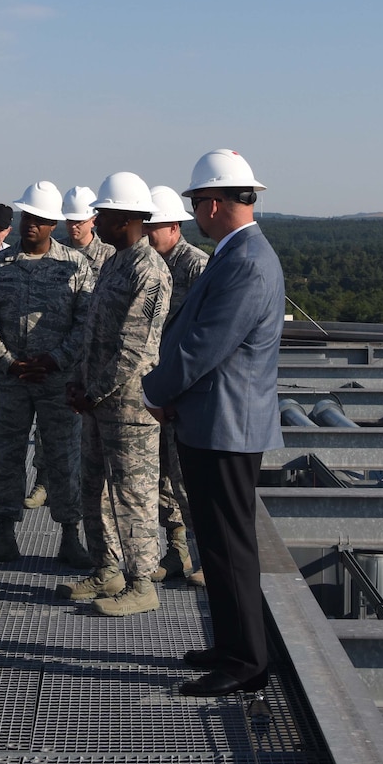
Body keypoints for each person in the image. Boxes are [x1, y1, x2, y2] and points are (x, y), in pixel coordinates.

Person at [143, 150, 285, 698]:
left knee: (229, 547)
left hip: (227, 425)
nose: (194, 212)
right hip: (215, 420)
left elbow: (207, 343)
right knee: (218, 543)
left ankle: (247, 662)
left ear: (217, 202)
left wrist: (155, 390)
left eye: (197, 201)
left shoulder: (247, 261)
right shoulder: (236, 254)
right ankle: (230, 645)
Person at [0, 181, 96, 570]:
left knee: (63, 457)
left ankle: (70, 536)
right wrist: (8, 360)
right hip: (10, 380)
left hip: (58, 380)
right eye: (27, 218)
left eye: (40, 220)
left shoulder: (75, 267)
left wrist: (56, 360)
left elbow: (85, 322)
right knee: (5, 455)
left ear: (53, 223)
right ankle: (3, 533)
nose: (30, 226)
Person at [62, 173, 170, 615]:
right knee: (95, 490)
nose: (96, 221)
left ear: (126, 218)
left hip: (127, 406)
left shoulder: (150, 271)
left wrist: (95, 392)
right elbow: (94, 333)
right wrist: (79, 381)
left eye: (103, 214)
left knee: (133, 495)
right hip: (96, 402)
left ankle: (142, 582)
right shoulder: (114, 263)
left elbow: (135, 349)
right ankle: (107, 569)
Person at [146, 184, 209, 587]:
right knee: (161, 478)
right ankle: (176, 551)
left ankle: (205, 557)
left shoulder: (196, 266)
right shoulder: (147, 264)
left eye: (153, 227)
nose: (147, 235)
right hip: (154, 386)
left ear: (173, 227)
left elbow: (203, 337)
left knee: (186, 480)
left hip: (182, 389)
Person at [54, 184, 113, 271]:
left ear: (93, 221)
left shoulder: (108, 255)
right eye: (69, 221)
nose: (73, 226)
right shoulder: (56, 250)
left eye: (79, 222)